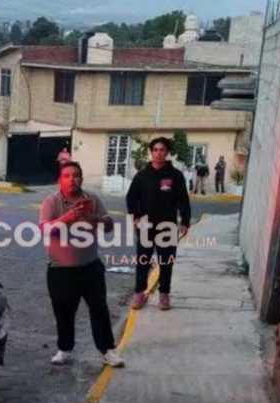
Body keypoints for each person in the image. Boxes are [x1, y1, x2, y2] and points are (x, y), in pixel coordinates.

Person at [39, 161, 125, 367]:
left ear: (82, 179)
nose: (72, 179)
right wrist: (68, 218)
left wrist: (94, 218)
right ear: (60, 180)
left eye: (76, 175)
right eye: (67, 176)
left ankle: (107, 350)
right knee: (63, 311)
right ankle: (64, 348)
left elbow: (109, 226)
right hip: (60, 269)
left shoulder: (92, 199)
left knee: (99, 309)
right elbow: (45, 230)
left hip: (90, 267)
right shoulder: (51, 202)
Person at [126, 137, 191, 311]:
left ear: (167, 152)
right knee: (143, 261)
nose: (158, 153)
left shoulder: (175, 176)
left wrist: (185, 221)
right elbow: (131, 197)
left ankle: (164, 295)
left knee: (166, 262)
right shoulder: (142, 176)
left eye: (162, 150)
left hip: (167, 227)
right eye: (155, 150)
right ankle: (139, 294)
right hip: (145, 227)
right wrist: (136, 216)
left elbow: (183, 200)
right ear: (151, 152)